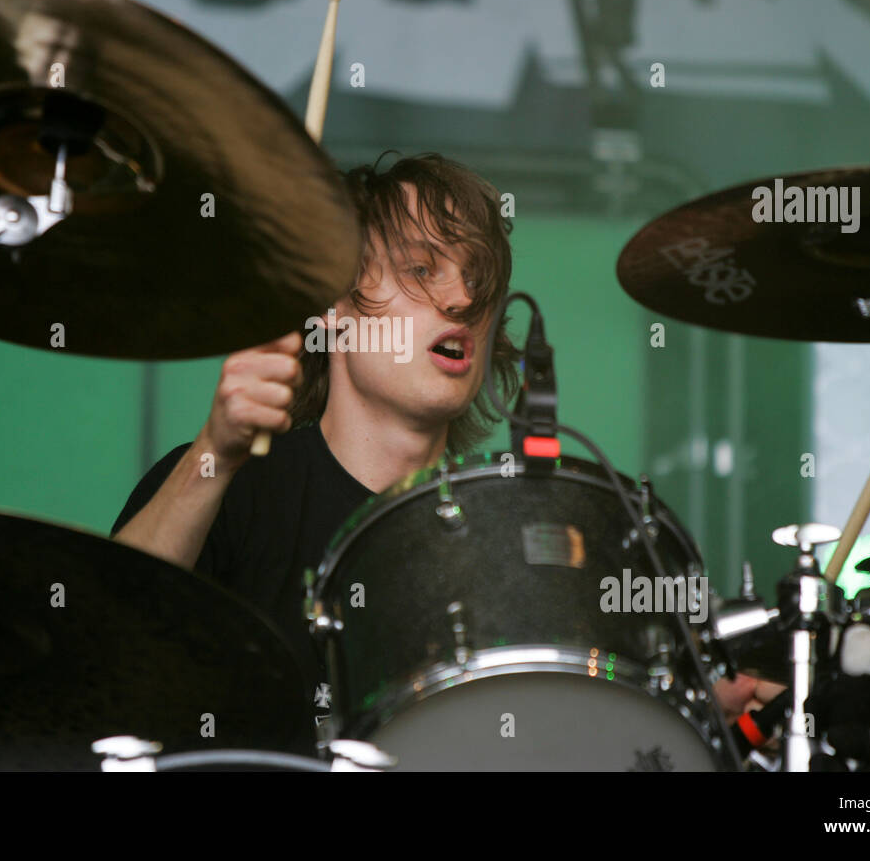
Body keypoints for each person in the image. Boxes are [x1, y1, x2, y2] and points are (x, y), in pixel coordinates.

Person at [111, 151, 773, 756]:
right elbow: (108, 645)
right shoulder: (233, 485)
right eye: (422, 269)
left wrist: (682, 716)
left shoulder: (510, 536)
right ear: (334, 306)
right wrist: (215, 455)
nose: (461, 299)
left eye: (476, 280)